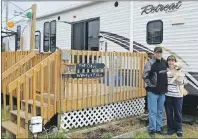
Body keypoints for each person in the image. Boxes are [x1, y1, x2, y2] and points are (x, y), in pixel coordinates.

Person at [142, 47, 168, 137]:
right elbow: (145, 76)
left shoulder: (164, 63)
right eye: (157, 52)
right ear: (154, 53)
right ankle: (152, 129)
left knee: (160, 111)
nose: (159, 54)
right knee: (153, 111)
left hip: (162, 92)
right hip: (153, 92)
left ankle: (159, 128)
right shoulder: (150, 63)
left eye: (160, 52)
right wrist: (151, 85)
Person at [165, 55, 188, 137]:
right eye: (169, 60)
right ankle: (170, 128)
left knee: (178, 113)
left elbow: (185, 82)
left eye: (172, 60)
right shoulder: (166, 71)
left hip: (178, 95)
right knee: (169, 113)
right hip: (168, 95)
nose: (171, 62)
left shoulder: (180, 70)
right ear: (167, 62)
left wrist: (179, 78)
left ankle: (179, 129)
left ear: (175, 62)